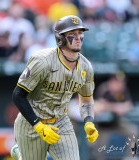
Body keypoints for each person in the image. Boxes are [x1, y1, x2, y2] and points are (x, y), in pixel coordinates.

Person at [11, 15, 99, 160]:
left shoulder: (86, 67)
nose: (78, 38)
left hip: (61, 121)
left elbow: (86, 99)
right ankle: (19, 154)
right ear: (61, 38)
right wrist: (38, 125)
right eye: (72, 34)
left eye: (80, 33)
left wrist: (89, 121)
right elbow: (18, 95)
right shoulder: (43, 60)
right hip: (31, 123)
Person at [92, 72, 139, 160]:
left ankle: (130, 157)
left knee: (134, 131)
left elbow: (129, 104)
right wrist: (116, 107)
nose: (120, 84)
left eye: (122, 82)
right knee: (99, 150)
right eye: (117, 82)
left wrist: (120, 107)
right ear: (111, 81)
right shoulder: (104, 89)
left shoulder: (123, 89)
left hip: (116, 122)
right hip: (103, 126)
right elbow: (99, 106)